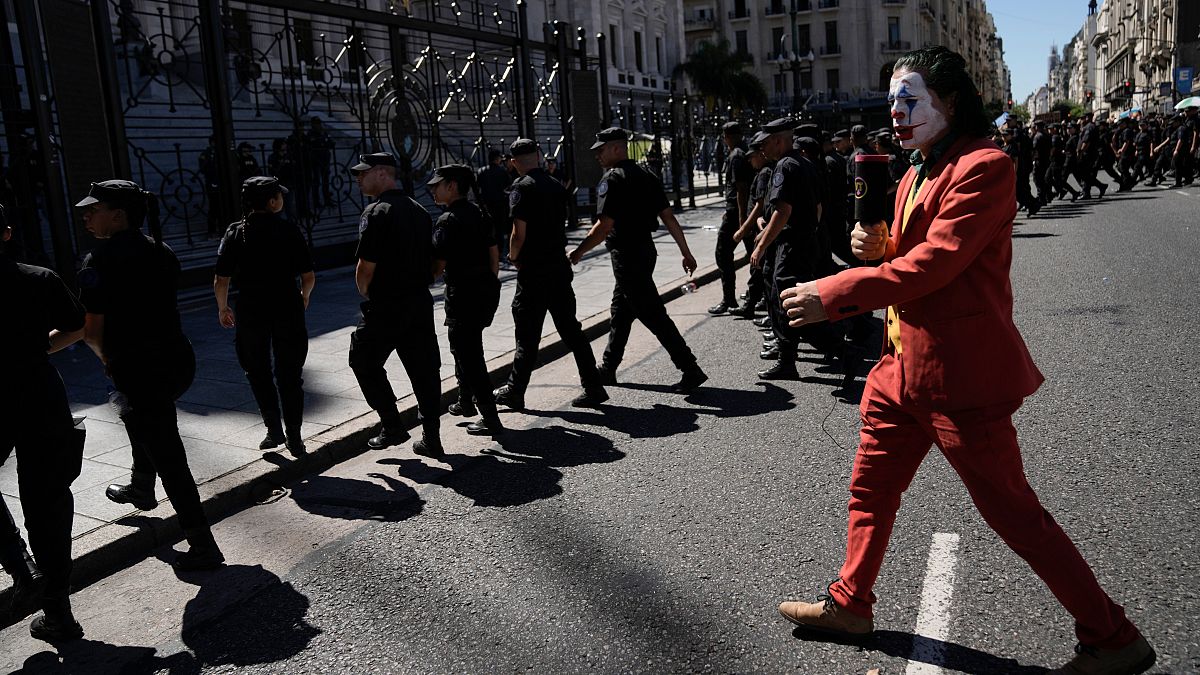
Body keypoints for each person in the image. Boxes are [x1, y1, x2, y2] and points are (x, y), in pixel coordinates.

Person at [775, 46, 1155, 675]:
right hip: (898, 366)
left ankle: (1113, 637)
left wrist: (834, 294)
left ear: (951, 102)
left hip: (958, 375)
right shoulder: (916, 169)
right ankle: (850, 603)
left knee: (1012, 512)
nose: (897, 114)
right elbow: (907, 251)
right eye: (893, 101)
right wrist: (874, 246)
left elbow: (938, 263)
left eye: (910, 100)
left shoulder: (986, 166)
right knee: (870, 489)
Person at [76, 180, 225, 572]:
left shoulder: (100, 261)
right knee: (140, 417)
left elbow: (91, 333)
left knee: (169, 454)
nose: (87, 216)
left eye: (95, 209)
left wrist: (107, 358)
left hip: (140, 368)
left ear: (119, 215)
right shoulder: (163, 251)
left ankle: (202, 544)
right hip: (177, 361)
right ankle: (141, 488)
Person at [0, 204, 87, 641]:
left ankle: (20, 567)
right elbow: (76, 327)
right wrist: (36, 351)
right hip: (37, 391)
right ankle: (58, 610)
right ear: (8, 233)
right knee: (48, 502)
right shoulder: (38, 278)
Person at [569, 128, 707, 392]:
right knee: (621, 313)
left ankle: (690, 368)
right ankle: (608, 369)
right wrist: (685, 252)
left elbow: (604, 226)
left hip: (628, 256)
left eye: (602, 149)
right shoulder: (647, 174)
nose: (597, 155)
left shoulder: (613, 179)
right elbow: (668, 216)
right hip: (645, 252)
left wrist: (578, 252)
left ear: (618, 149)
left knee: (653, 314)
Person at [494, 139, 608, 410]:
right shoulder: (556, 185)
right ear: (539, 156)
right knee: (571, 330)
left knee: (527, 335)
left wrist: (512, 256)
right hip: (558, 267)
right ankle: (593, 385)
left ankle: (515, 390)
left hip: (533, 271)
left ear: (513, 162)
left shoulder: (521, 188)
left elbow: (517, 233)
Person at [347, 153, 442, 456]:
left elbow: (366, 265)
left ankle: (392, 425)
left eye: (363, 174)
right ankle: (431, 436)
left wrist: (365, 291)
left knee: (362, 360)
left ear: (381, 173)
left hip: (387, 304)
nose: (359, 179)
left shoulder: (376, 212)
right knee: (424, 369)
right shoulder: (419, 210)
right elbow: (435, 258)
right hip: (418, 302)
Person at [213, 176, 315, 457]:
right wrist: (304, 296)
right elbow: (308, 275)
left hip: (251, 309)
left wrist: (223, 307)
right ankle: (295, 437)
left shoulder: (236, 232)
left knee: (257, 370)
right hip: (287, 307)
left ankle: (273, 430)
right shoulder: (289, 230)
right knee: (290, 373)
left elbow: (221, 278)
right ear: (272, 202)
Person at [750, 119, 851, 382]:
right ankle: (791, 359)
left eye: (766, 143)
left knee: (789, 302)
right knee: (788, 299)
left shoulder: (785, 166)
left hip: (792, 245)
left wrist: (761, 246)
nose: (763, 149)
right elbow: (818, 207)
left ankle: (839, 349)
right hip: (806, 243)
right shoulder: (806, 164)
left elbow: (783, 211)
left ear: (778, 141)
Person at [427, 164, 503, 437]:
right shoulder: (480, 213)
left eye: (437, 184)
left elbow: (436, 267)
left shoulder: (447, 221)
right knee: (466, 348)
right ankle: (464, 400)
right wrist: (490, 285)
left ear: (453, 186)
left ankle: (490, 418)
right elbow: (494, 256)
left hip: (463, 296)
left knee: (469, 355)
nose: (432, 189)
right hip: (484, 291)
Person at [710, 122, 754, 316]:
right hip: (740, 212)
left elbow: (741, 188)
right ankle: (756, 297)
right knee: (754, 253)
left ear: (727, 136)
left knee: (722, 254)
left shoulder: (736, 155)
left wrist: (741, 217)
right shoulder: (744, 151)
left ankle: (729, 299)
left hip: (737, 214)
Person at [477, 149, 514, 263]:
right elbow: (508, 187)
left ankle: (486, 253)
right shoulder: (502, 171)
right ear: (497, 159)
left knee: (486, 230)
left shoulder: (481, 171)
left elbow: (478, 188)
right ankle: (499, 253)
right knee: (499, 230)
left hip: (486, 205)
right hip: (499, 205)